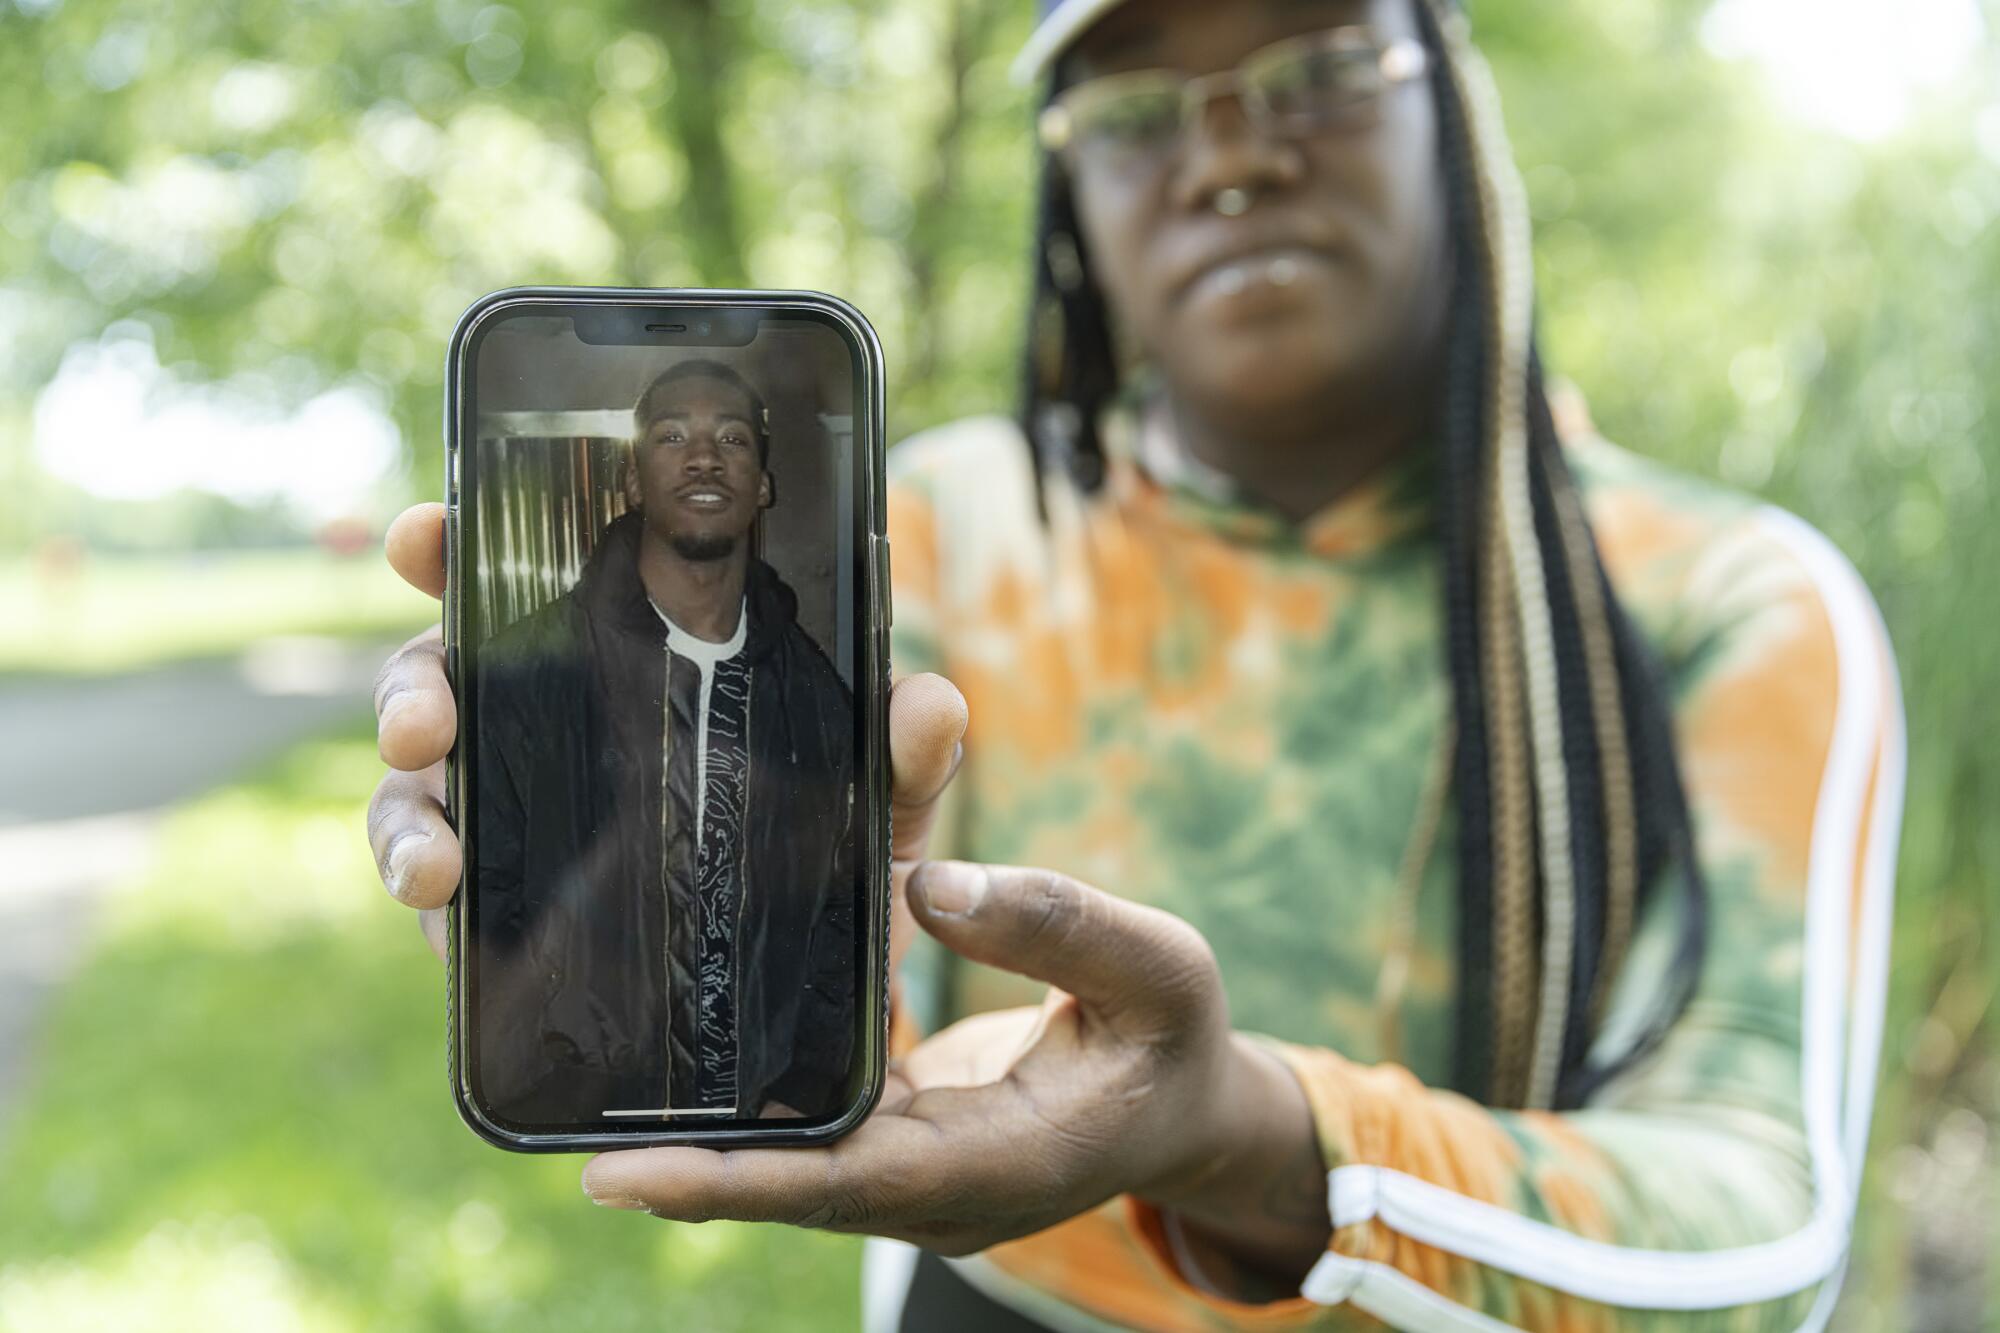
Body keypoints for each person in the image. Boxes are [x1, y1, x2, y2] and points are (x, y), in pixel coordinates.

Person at [367, 0, 1905, 1327]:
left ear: (1457, 99)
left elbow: (1763, 1229)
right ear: (1070, 191)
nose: (1234, 155)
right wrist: (576, 832)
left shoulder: (1727, 597)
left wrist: (1243, 1135)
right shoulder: (945, 530)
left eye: (1317, 70)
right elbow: (818, 993)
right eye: (1137, 105)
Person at [468, 358, 857, 1123]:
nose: (704, 455)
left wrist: (804, 1086)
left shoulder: (817, 697)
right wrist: (548, 1072)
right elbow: (487, 893)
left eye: (733, 439)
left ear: (765, 485)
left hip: (764, 1106)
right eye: (672, 434)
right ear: (635, 481)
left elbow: (840, 908)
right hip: (572, 1099)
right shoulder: (524, 669)